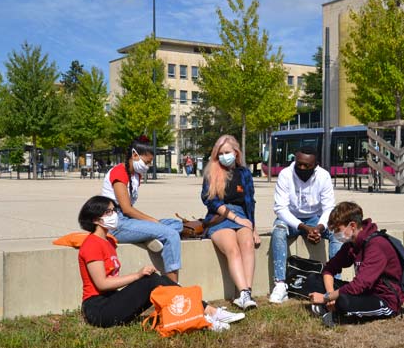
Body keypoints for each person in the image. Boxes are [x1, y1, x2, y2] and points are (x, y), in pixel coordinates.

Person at [77, 195, 244, 330]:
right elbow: (102, 284)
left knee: (160, 281)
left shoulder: (109, 241)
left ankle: (205, 315)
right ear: (95, 220)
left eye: (114, 211)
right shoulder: (92, 244)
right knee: (150, 280)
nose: (114, 215)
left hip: (112, 300)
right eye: (108, 212)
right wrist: (137, 275)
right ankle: (208, 314)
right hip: (98, 309)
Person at [308, 201, 404, 327]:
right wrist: (330, 295)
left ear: (352, 226)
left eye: (338, 230)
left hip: (384, 298)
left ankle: (335, 313)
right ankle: (331, 308)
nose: (336, 234)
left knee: (343, 301)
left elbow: (359, 285)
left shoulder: (376, 245)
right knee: (313, 280)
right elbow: (329, 269)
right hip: (363, 292)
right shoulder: (351, 244)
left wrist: (326, 298)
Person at [101, 139, 182, 282]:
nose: (148, 166)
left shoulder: (136, 175)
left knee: (177, 224)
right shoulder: (119, 172)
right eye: (146, 162)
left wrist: (155, 224)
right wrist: (155, 222)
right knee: (171, 234)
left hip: (127, 220)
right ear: (135, 155)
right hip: (115, 223)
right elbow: (127, 209)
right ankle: (173, 284)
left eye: (150, 163)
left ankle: (147, 236)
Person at [269, 146, 337, 304]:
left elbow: (329, 208)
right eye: (299, 164)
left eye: (307, 166)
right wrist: (304, 228)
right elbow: (280, 209)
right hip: (290, 219)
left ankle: (334, 282)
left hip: (315, 219)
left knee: (337, 232)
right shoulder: (285, 174)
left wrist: (319, 228)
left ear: (316, 164)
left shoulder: (323, 176)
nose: (302, 168)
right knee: (278, 231)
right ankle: (280, 284)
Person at [201, 135, 260, 310]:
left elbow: (250, 202)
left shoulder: (245, 173)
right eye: (220, 153)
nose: (224, 156)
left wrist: (253, 228)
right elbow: (209, 200)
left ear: (236, 152)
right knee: (232, 249)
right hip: (220, 216)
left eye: (227, 152)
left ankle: (246, 293)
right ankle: (243, 293)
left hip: (242, 214)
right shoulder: (212, 171)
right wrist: (235, 218)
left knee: (248, 244)